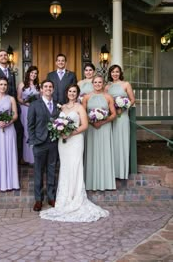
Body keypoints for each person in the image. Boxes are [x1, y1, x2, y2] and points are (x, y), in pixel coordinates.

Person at [40, 84, 109, 222]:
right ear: (67, 93)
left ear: (77, 94)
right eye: (70, 91)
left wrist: (70, 133)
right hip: (63, 143)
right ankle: (65, 197)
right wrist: (60, 131)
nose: (72, 93)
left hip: (76, 141)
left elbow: (84, 125)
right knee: (65, 167)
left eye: (74, 91)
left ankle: (76, 197)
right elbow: (56, 123)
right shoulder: (62, 107)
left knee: (75, 166)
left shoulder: (79, 107)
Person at [0, 49, 24, 164]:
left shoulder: (11, 72)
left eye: (5, 55)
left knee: (18, 131)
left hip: (11, 106)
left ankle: (16, 158)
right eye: (1, 55)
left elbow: (12, 90)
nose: (3, 57)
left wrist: (15, 105)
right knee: (1, 135)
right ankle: (1, 160)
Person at [28, 80, 60, 212]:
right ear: (41, 89)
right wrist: (33, 140)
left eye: (50, 87)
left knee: (52, 170)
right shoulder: (34, 104)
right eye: (45, 86)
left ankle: (51, 197)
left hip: (53, 142)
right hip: (39, 143)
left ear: (53, 89)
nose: (48, 88)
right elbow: (30, 125)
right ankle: (38, 200)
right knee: (38, 172)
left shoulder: (58, 105)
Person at [83, 75, 116, 191]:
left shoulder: (108, 97)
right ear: (92, 84)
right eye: (95, 82)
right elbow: (83, 114)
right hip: (91, 129)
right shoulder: (86, 97)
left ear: (103, 83)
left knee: (104, 152)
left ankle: (106, 182)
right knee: (92, 152)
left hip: (105, 128)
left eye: (100, 82)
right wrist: (92, 123)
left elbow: (113, 114)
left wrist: (102, 122)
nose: (97, 84)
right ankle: (90, 182)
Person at [105, 64, 135, 179]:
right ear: (110, 74)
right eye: (113, 72)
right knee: (111, 143)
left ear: (120, 73)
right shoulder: (107, 87)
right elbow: (106, 101)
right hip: (111, 118)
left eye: (117, 72)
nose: (115, 74)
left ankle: (122, 171)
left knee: (122, 142)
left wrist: (122, 108)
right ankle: (112, 171)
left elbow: (132, 100)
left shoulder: (126, 84)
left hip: (122, 118)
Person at [17, 66, 40, 164]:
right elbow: (18, 98)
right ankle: (26, 157)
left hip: (35, 111)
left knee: (34, 131)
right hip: (25, 110)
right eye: (32, 73)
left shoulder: (38, 85)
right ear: (28, 73)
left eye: (35, 73)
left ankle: (34, 157)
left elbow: (40, 99)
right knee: (26, 132)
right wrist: (27, 104)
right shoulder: (22, 84)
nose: (33, 75)